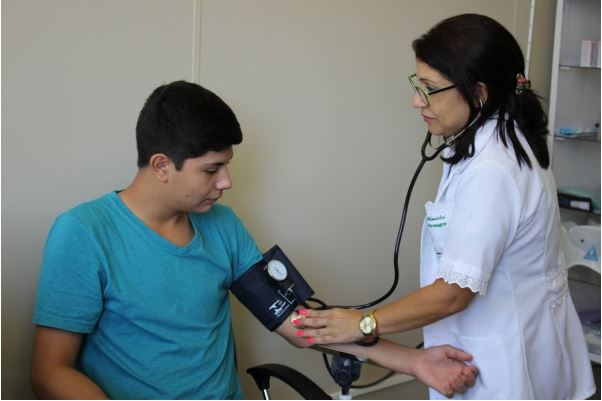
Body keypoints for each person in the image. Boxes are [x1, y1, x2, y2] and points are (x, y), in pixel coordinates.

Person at [31, 80, 478, 399]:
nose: (226, 181)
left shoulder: (222, 225)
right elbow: (50, 371)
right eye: (211, 169)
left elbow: (297, 324)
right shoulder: (84, 234)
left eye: (227, 165)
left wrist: (413, 361)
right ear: (162, 165)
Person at [294, 13, 596, 400]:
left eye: (430, 89)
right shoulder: (489, 141)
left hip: (504, 369)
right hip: (507, 351)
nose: (416, 100)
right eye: (418, 85)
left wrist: (363, 324)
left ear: (479, 93)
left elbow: (453, 294)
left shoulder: (493, 170)